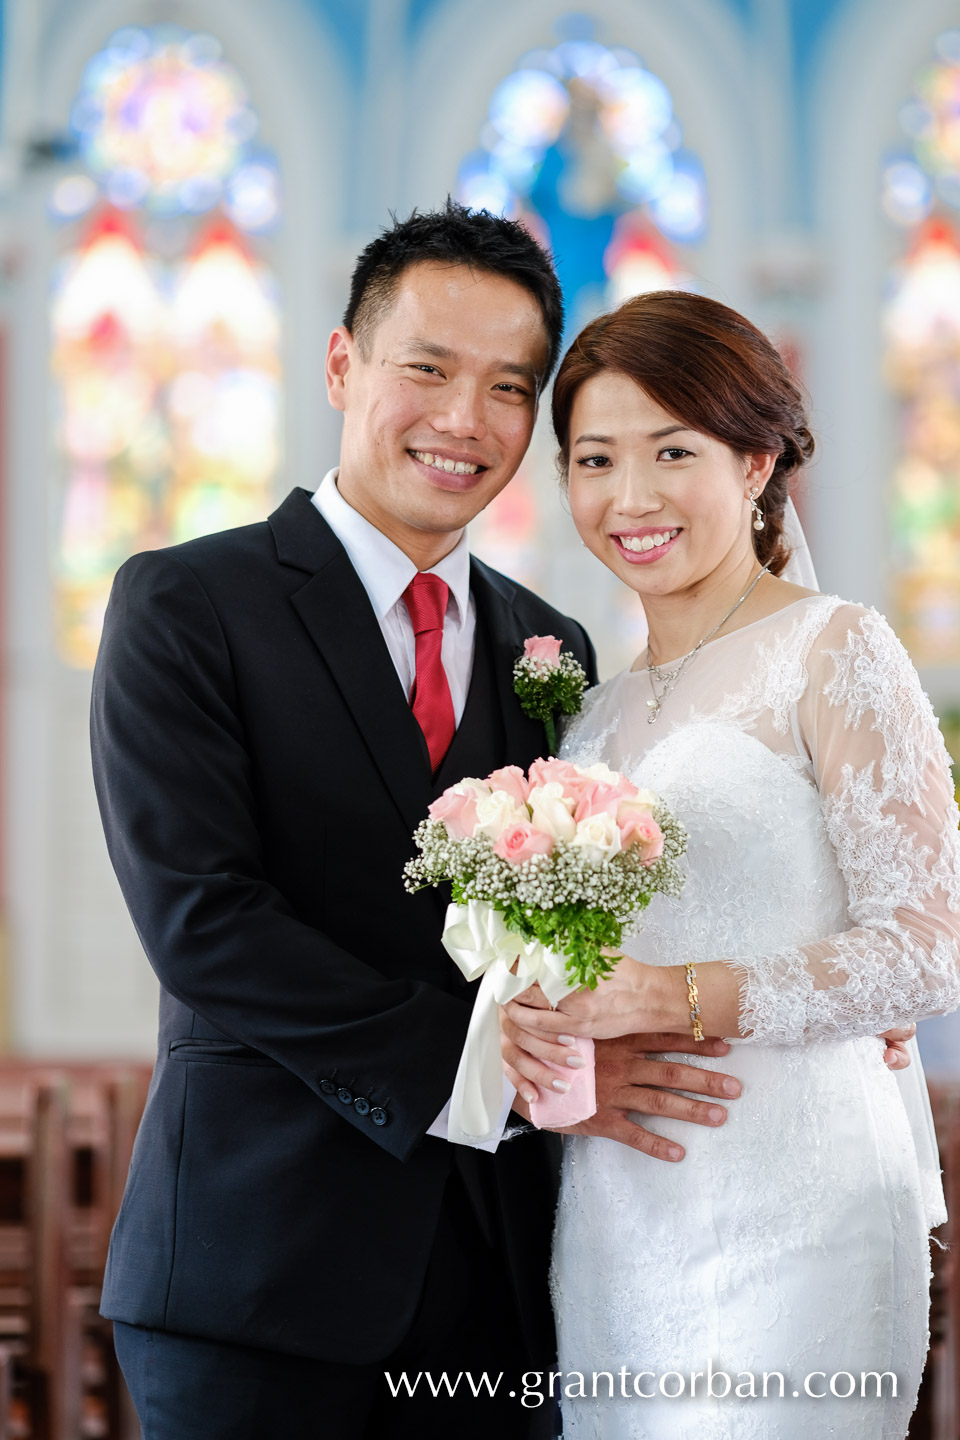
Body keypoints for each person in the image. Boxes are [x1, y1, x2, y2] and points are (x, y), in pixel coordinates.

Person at [90, 204, 775, 1440]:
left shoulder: (546, 647)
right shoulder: (187, 602)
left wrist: (817, 996)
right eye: (428, 369)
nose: (465, 420)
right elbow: (203, 921)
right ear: (344, 364)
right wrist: (489, 1069)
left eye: (509, 388)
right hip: (259, 1276)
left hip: (502, 1284)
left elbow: (622, 903)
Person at [500, 290, 960, 1439]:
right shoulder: (588, 720)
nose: (631, 497)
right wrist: (532, 1036)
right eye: (595, 458)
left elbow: (926, 949)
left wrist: (679, 994)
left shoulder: (834, 647)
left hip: (799, 1198)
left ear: (756, 462)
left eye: (673, 451)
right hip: (618, 1206)